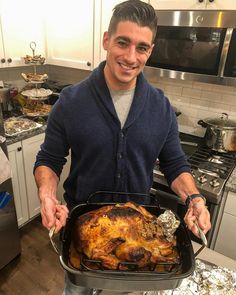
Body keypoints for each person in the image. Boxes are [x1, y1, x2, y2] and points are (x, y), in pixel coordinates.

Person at [34, 0, 211, 294]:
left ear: (150, 50)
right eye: (122, 42)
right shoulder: (71, 102)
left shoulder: (161, 108)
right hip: (82, 234)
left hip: (138, 239)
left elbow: (175, 165)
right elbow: (49, 159)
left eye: (141, 47)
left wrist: (194, 198)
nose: (131, 57)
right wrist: (46, 194)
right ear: (106, 40)